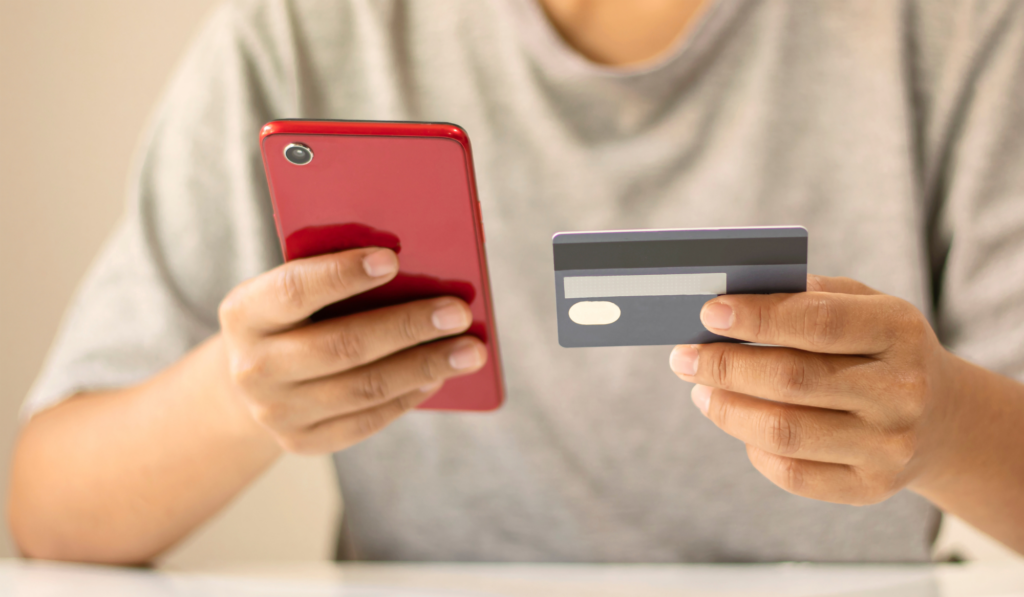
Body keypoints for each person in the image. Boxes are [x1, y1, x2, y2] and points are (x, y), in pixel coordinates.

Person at [8, 0, 1024, 565]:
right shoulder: (305, 29)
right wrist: (240, 396)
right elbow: (50, 511)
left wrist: (939, 422)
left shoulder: (954, 28)